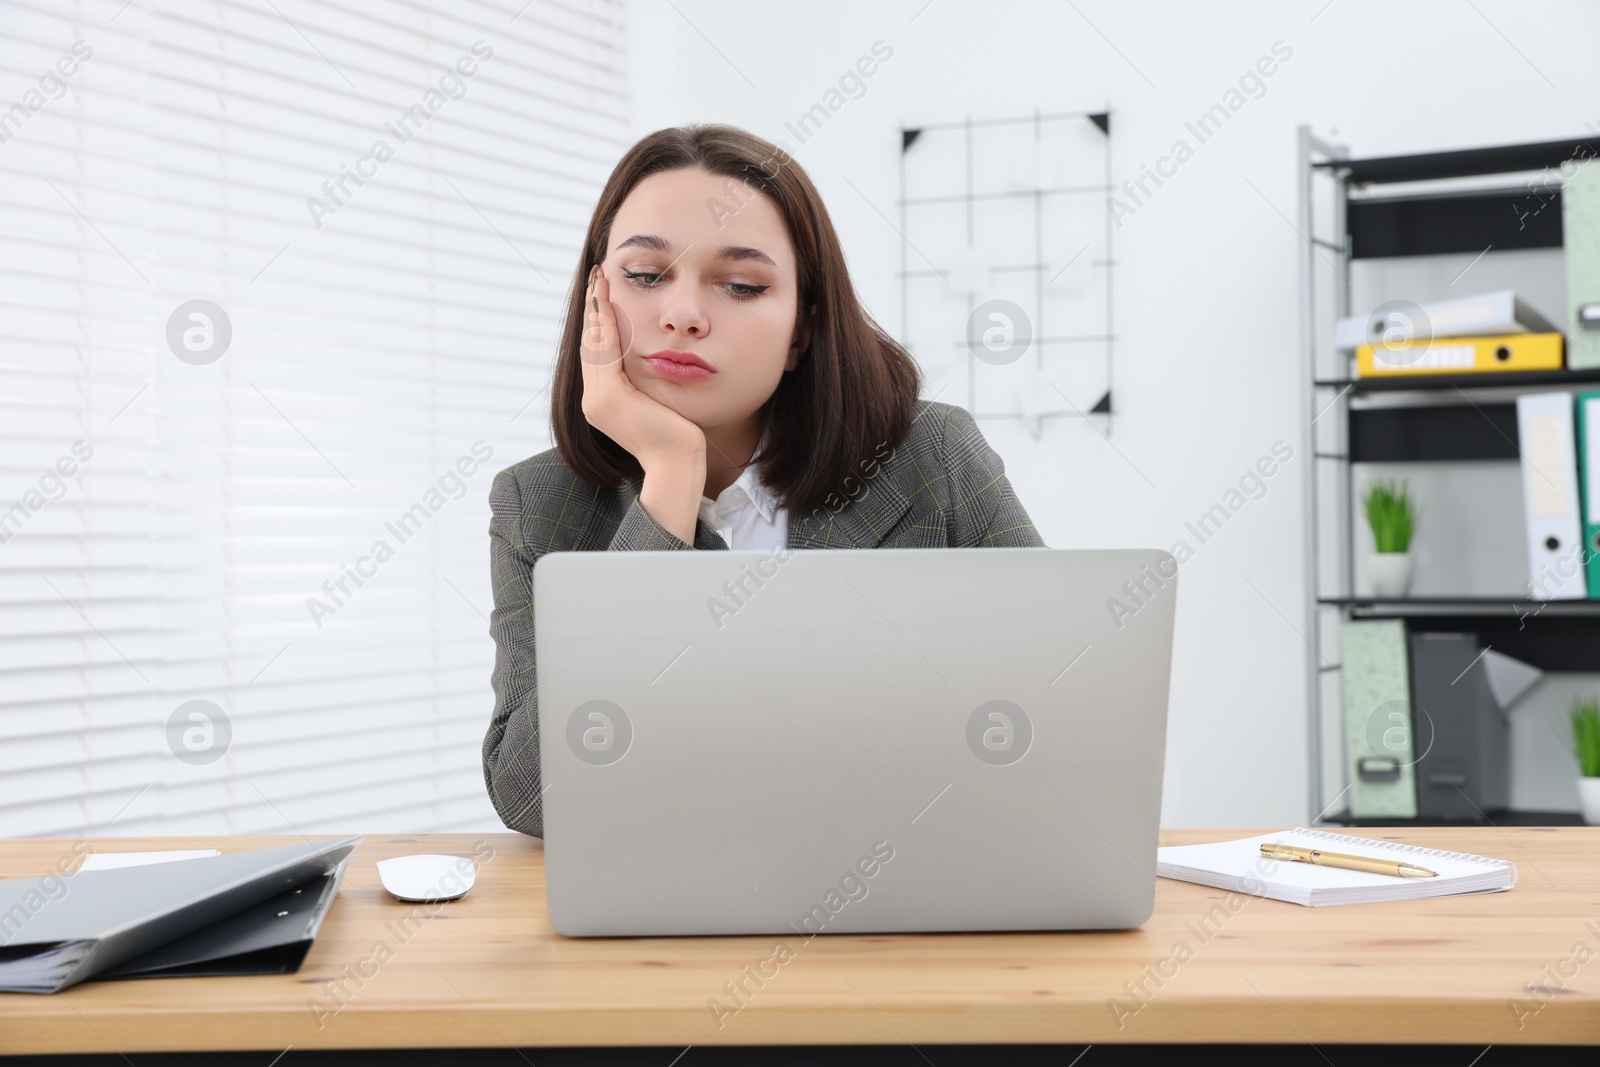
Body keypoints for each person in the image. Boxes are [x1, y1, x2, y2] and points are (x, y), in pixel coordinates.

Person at [483, 123, 1045, 837]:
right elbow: (535, 799)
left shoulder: (935, 456)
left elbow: (1061, 711)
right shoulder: (539, 506)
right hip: (662, 919)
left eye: (742, 284)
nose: (682, 314)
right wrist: (670, 479)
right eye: (646, 275)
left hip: (909, 893)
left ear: (802, 331)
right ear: (596, 300)